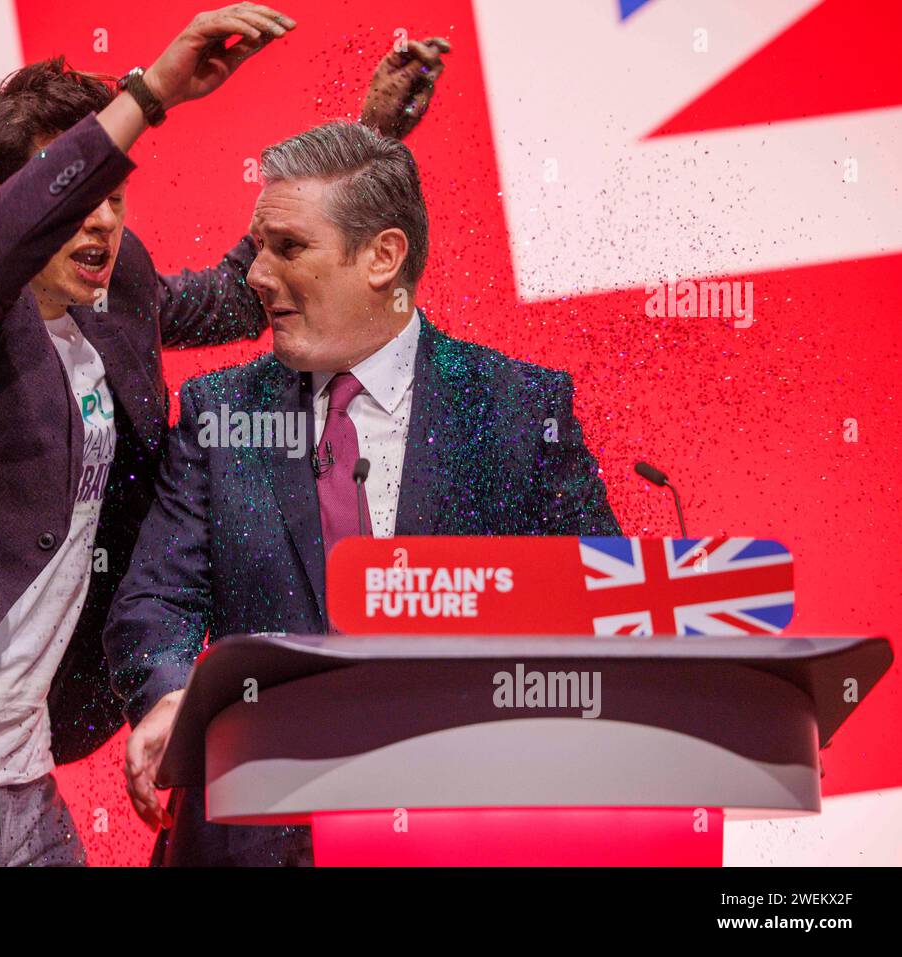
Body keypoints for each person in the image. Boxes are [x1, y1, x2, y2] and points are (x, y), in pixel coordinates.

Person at [0, 5, 449, 865]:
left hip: (20, 796)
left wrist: (364, 141)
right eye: (74, 190)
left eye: (116, 195)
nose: (101, 219)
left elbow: (233, 294)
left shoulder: (114, 293)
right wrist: (152, 91)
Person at [103, 120, 622, 866]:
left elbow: (602, 604)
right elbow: (157, 602)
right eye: (258, 248)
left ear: (383, 257)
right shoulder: (222, 414)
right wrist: (167, 697)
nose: (253, 274)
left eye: (288, 247)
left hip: (462, 837)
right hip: (254, 836)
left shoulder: (517, 408)